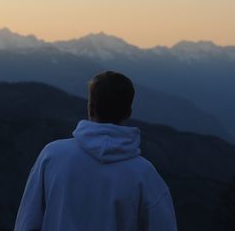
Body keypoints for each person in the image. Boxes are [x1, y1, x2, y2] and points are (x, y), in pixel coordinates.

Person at [14, 71, 177, 231]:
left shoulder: (52, 156)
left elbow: (27, 221)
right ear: (128, 113)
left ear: (90, 108)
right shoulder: (145, 175)